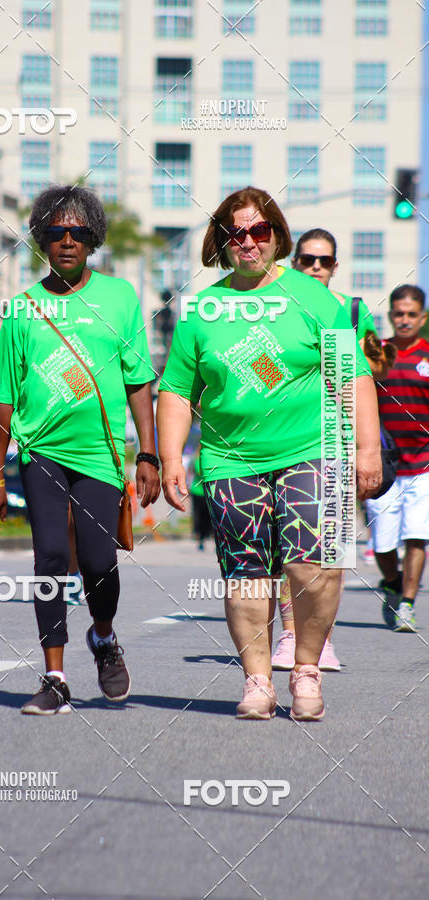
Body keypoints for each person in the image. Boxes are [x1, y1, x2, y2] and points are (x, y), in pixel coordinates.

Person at [157, 186, 382, 721]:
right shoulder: (202, 309)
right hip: (232, 458)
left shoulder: (313, 298)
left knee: (314, 566)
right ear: (222, 242)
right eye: (237, 233)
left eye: (259, 231)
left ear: (276, 236)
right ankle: (257, 680)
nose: (249, 242)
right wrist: (170, 458)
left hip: (314, 447)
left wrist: (367, 450)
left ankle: (305, 667)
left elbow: (352, 375)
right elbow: (176, 390)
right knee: (247, 573)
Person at [0, 185, 160, 715]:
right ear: (41, 238)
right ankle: (55, 676)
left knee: (101, 562)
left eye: (78, 233)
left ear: (93, 240)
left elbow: (138, 383)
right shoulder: (23, 309)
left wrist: (147, 454)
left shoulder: (121, 298)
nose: (66, 241)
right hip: (40, 452)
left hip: (100, 455)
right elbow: (3, 396)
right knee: (52, 558)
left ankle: (103, 638)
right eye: (56, 232)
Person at [272, 228, 394, 672]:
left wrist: (371, 356)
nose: (315, 267)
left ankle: (321, 640)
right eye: (307, 259)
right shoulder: (279, 305)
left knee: (333, 551)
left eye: (324, 261)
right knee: (293, 551)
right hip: (292, 441)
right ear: (295, 262)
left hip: (338, 441)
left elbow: (373, 372)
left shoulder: (351, 310)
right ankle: (290, 636)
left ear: (335, 266)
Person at [366, 284, 429, 632]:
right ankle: (393, 581)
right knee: (383, 540)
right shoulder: (379, 354)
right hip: (384, 463)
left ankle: (407, 603)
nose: (404, 320)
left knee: (417, 534)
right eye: (399, 313)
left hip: (424, 463)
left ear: (422, 317)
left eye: (411, 314)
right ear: (391, 315)